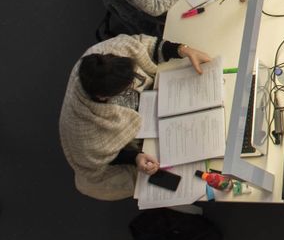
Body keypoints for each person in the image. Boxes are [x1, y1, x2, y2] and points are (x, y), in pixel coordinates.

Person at [59, 34, 212, 201]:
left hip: (155, 107)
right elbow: (102, 156)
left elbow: (143, 47)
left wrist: (183, 50)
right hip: (133, 144)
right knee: (176, 177)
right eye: (127, 87)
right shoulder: (83, 130)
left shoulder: (106, 54)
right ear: (103, 97)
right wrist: (135, 157)